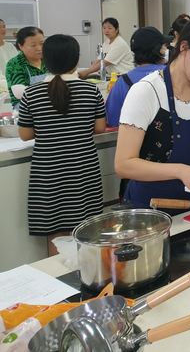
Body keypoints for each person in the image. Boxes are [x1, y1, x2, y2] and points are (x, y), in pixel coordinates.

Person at [114, 16, 190, 211]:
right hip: (150, 212)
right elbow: (123, 165)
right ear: (184, 47)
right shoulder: (146, 91)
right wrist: (180, 171)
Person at [17, 35, 106, 255]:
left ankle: (60, 281)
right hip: (83, 170)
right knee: (87, 229)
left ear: (45, 61)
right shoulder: (90, 91)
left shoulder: (32, 93)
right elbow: (100, 128)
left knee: (55, 231)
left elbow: (25, 135)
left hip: (48, 173)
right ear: (76, 61)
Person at [105, 27, 171, 127]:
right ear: (158, 50)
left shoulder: (122, 82)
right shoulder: (172, 74)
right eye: (164, 46)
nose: (166, 49)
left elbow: (114, 120)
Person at [5, 26, 48, 110]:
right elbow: (19, 92)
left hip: (47, 106)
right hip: (25, 108)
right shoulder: (15, 63)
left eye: (42, 43)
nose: (39, 48)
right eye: (33, 45)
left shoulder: (48, 59)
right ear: (20, 46)